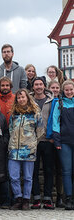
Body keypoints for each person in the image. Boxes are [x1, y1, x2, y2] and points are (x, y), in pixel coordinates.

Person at [8, 89, 44, 210]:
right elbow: (10, 129)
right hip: (14, 150)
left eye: (23, 97)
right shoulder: (14, 114)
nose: (21, 99)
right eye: (19, 98)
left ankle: (26, 200)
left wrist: (32, 142)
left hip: (29, 150)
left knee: (28, 177)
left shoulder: (35, 113)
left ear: (27, 98)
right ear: (16, 100)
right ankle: (18, 198)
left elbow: (40, 130)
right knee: (14, 176)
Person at [30, 77, 55, 209]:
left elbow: (55, 119)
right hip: (32, 141)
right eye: (36, 84)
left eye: (40, 84)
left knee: (48, 170)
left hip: (47, 140)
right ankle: (36, 198)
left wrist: (53, 136)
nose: (38, 86)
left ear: (44, 86)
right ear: (33, 87)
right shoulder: (29, 100)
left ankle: (47, 198)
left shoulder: (51, 101)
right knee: (32, 171)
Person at [53, 80, 74, 210]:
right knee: (66, 171)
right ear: (63, 91)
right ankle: (69, 199)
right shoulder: (59, 103)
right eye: (66, 90)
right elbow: (55, 121)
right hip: (65, 142)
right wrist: (57, 140)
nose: (69, 92)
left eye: (71, 89)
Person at [46, 80, 64, 208]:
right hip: (49, 139)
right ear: (49, 88)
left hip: (62, 138)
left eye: (57, 87)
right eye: (53, 87)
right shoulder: (47, 101)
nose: (55, 89)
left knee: (61, 170)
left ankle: (60, 196)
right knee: (49, 169)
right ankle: (49, 198)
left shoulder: (64, 101)